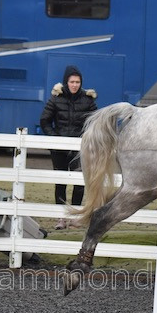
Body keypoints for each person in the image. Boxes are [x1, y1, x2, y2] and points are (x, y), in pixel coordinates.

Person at [39, 65, 97, 229]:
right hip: (59, 150)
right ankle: (61, 217)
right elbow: (44, 120)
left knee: (79, 182)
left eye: (77, 82)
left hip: (80, 149)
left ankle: (75, 216)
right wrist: (54, 138)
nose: (75, 85)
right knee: (61, 183)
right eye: (72, 81)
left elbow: (95, 122)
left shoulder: (88, 100)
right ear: (66, 82)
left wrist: (85, 137)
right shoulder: (56, 99)